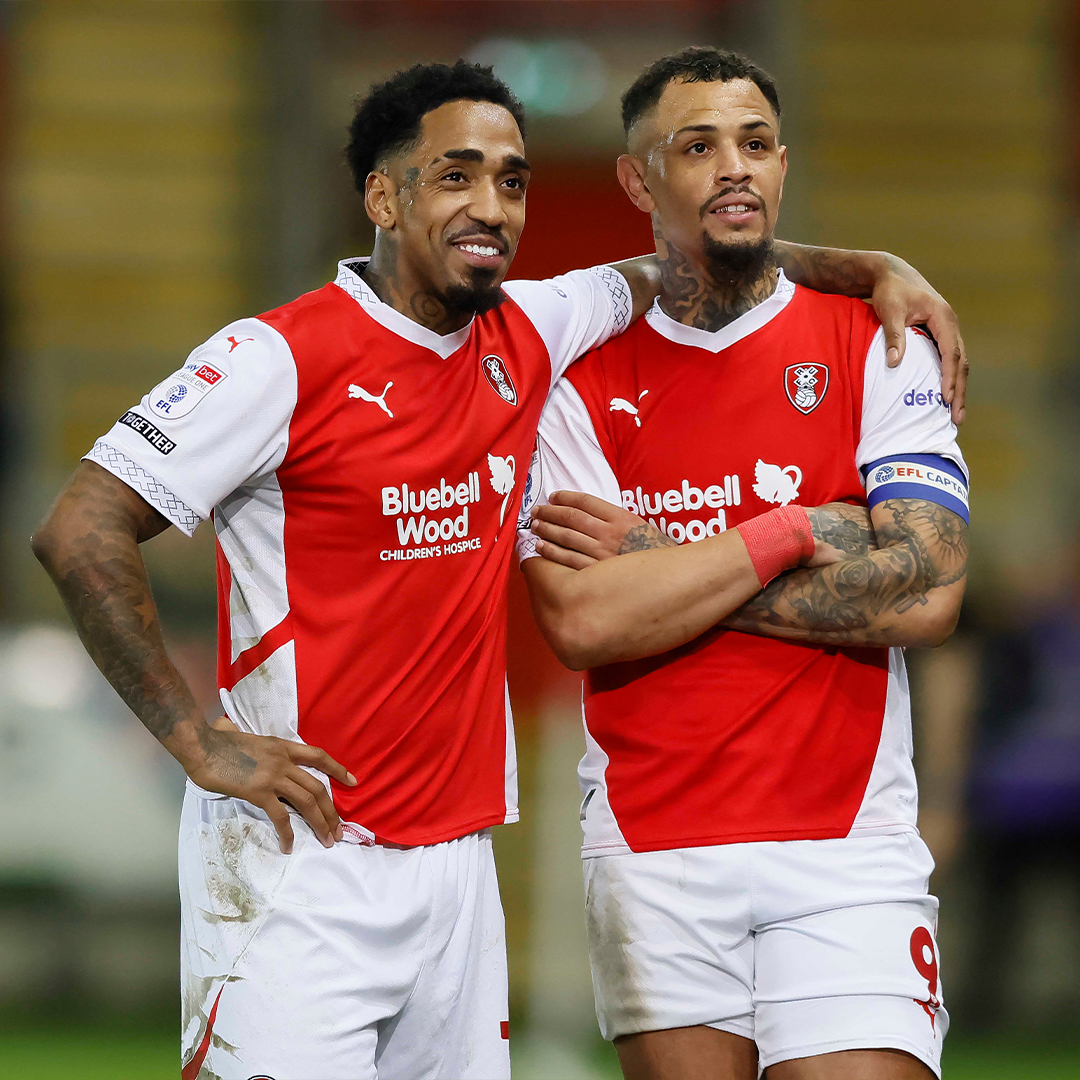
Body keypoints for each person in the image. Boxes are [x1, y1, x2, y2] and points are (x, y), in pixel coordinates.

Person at [31, 59, 964, 1080]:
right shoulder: (278, 358)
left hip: (456, 865)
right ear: (382, 196)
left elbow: (694, 257)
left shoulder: (532, 330)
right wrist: (197, 739)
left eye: (512, 181)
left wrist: (872, 267)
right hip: (300, 851)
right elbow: (80, 530)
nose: (490, 206)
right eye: (455, 176)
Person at [518, 48, 969, 1080]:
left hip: (846, 846)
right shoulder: (571, 379)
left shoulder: (878, 340)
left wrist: (663, 566)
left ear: (782, 166)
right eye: (699, 146)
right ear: (639, 181)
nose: (735, 167)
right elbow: (587, 622)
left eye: (756, 144)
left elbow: (933, 585)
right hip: (651, 846)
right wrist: (797, 528)